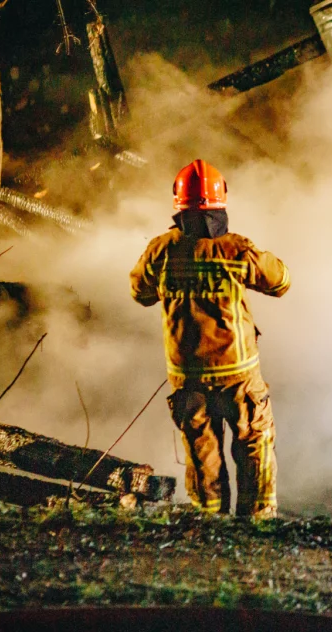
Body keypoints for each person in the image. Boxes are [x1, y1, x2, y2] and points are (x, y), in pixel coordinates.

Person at [130, 159, 290, 517]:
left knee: (203, 457)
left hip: (189, 380)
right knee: (254, 446)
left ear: (179, 206)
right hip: (239, 375)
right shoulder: (235, 250)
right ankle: (258, 525)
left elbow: (139, 292)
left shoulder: (160, 251)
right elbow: (280, 281)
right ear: (221, 204)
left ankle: (210, 527)